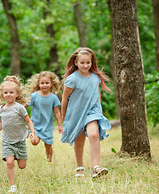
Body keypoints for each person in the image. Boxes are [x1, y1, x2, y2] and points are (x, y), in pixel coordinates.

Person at [61, 47, 111, 178]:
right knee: (79, 140)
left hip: (92, 112)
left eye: (88, 63)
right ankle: (80, 167)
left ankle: (96, 167)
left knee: (94, 134)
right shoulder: (72, 79)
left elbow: (97, 95)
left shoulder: (95, 78)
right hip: (76, 112)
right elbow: (65, 99)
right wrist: (64, 116)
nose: (85, 65)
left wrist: (98, 111)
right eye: (82, 63)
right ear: (76, 62)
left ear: (92, 62)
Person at [0, 76, 36, 193]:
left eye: (11, 92)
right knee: (9, 163)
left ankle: (17, 156)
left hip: (20, 140)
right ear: (2, 94)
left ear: (17, 94)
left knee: (22, 166)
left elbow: (28, 121)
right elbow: (2, 124)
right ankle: (12, 186)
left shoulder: (20, 108)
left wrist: (32, 132)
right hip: (7, 141)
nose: (8, 95)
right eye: (6, 92)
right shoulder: (0, 110)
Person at [26, 71, 62, 164]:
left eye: (47, 83)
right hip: (35, 125)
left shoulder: (53, 97)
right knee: (34, 142)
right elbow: (24, 107)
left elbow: (57, 112)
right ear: (38, 84)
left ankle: (49, 161)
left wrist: (60, 125)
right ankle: (32, 135)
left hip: (47, 127)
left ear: (51, 84)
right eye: (42, 83)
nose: (44, 85)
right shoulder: (34, 96)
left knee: (48, 146)